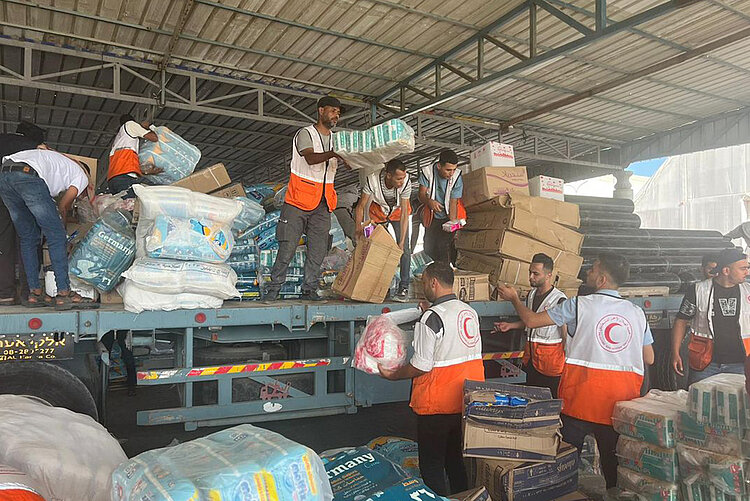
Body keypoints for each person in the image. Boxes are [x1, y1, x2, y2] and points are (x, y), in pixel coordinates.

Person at [496, 252, 654, 489]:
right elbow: (649, 357)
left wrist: (513, 299)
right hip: (618, 405)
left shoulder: (578, 305)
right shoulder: (637, 313)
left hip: (581, 399)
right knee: (613, 465)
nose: (587, 272)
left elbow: (531, 321)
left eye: (593, 269)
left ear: (601, 280)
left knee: (565, 464)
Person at [378, 262, 484, 496]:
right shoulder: (468, 311)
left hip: (437, 403)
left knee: (432, 464)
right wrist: (429, 310)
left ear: (433, 283)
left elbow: (421, 365)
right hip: (465, 400)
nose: (423, 286)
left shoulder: (431, 319)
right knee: (455, 460)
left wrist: (393, 375)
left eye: (424, 282)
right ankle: (463, 496)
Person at [265, 96, 346, 301]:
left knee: (318, 250)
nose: (336, 115)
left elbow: (347, 162)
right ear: (321, 111)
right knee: (288, 247)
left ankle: (309, 288)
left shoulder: (338, 140)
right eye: (332, 110)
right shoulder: (306, 133)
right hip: (298, 201)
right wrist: (335, 153)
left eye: (338, 112)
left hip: (324, 203)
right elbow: (310, 158)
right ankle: (273, 289)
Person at [0, 149, 97, 310]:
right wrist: (61, 231)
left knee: (28, 237)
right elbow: (63, 206)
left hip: (4, 176)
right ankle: (64, 293)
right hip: (27, 175)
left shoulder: (58, 167)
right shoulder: (82, 177)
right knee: (57, 236)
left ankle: (35, 294)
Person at [672, 248, 750, 385]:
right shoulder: (698, 291)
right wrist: (675, 352)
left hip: (740, 363)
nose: (747, 272)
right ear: (726, 271)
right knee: (700, 404)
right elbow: (681, 321)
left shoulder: (747, 291)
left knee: (738, 405)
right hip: (705, 364)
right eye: (743, 268)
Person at [495, 253, 567, 397]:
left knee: (548, 404)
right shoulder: (532, 295)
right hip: (532, 361)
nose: (530, 277)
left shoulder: (559, 301)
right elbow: (532, 320)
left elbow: (566, 337)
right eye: (530, 272)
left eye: (536, 274)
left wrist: (514, 299)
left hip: (551, 365)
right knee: (531, 400)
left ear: (548, 275)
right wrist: (511, 325)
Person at [0, 122, 46, 305]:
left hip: (1, 195)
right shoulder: (34, 147)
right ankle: (30, 293)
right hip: (24, 194)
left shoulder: (2, 139)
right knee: (28, 241)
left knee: (4, 244)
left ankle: (5, 294)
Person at [355, 159, 412, 301]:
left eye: (403, 178)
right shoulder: (372, 180)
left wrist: (402, 241)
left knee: (404, 249)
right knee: (381, 249)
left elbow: (405, 214)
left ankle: (403, 286)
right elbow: (361, 206)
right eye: (398, 179)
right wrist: (358, 228)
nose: (401, 182)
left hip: (398, 213)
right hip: (379, 213)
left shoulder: (406, 182)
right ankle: (382, 287)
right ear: (388, 175)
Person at [418, 149, 465, 264]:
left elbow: (453, 201)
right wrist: (430, 202)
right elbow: (421, 195)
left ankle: (444, 273)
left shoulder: (457, 177)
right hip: (432, 217)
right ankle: (436, 269)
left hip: (448, 216)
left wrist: (452, 223)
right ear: (439, 166)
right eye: (448, 170)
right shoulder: (427, 172)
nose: (451, 173)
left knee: (442, 246)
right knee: (428, 247)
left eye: (454, 169)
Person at [107, 114, 160, 197]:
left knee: (123, 207)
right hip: (124, 178)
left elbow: (127, 163)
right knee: (131, 206)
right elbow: (154, 138)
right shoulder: (130, 124)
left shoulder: (119, 141)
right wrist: (147, 127)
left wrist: (146, 172)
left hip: (114, 179)